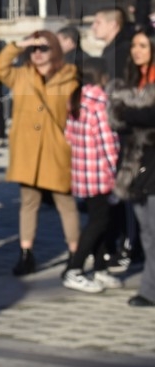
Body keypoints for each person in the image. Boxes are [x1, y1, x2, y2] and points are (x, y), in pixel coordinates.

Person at [0, 30, 81, 277]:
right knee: (28, 204)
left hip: (56, 150)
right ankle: (26, 253)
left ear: (56, 51)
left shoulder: (70, 77)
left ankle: (75, 254)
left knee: (66, 203)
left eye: (44, 48)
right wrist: (20, 44)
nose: (38, 53)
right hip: (28, 151)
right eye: (35, 49)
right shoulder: (22, 75)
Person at [63, 59, 122, 293]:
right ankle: (74, 269)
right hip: (100, 173)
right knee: (98, 222)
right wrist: (115, 171)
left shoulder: (76, 100)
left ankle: (100, 267)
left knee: (101, 220)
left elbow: (68, 137)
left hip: (82, 172)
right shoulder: (100, 103)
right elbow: (109, 143)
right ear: (102, 77)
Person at [108, 27, 155, 307]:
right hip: (133, 165)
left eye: (143, 45)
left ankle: (149, 290)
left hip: (153, 163)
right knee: (145, 231)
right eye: (134, 46)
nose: (136, 51)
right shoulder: (125, 82)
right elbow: (115, 118)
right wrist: (137, 114)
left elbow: (147, 114)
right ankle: (150, 288)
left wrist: (132, 113)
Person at [92, 8, 128, 84]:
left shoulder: (121, 51)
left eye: (98, 23)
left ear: (113, 25)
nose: (93, 27)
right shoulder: (111, 49)